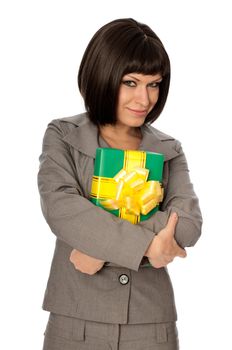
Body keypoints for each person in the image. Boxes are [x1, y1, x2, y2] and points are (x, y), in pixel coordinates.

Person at [38, 18, 202, 350]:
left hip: (150, 322)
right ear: (102, 74)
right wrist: (150, 247)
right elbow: (62, 210)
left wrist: (97, 247)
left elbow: (186, 226)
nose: (144, 98)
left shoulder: (169, 149)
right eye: (130, 82)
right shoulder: (62, 136)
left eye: (154, 84)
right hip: (75, 319)